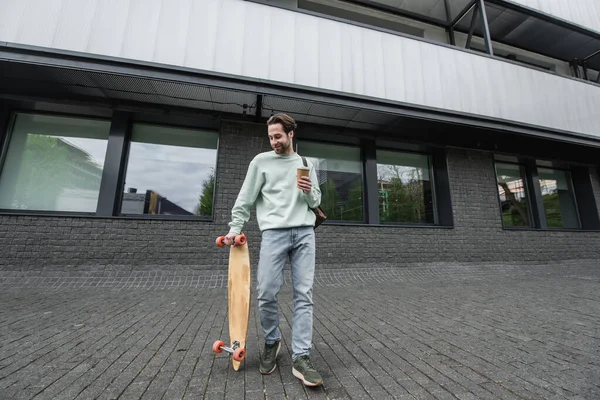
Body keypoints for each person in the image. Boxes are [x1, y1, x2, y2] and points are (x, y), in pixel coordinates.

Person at [223, 113, 323, 387]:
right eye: (270, 137)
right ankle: (272, 342)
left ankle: (301, 357)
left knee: (304, 294)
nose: (274, 142)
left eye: (278, 136)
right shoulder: (261, 162)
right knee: (266, 292)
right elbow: (246, 197)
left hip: (303, 233)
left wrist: (307, 190)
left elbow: (316, 201)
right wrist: (235, 228)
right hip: (274, 235)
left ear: (291, 134)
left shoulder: (305, 163)